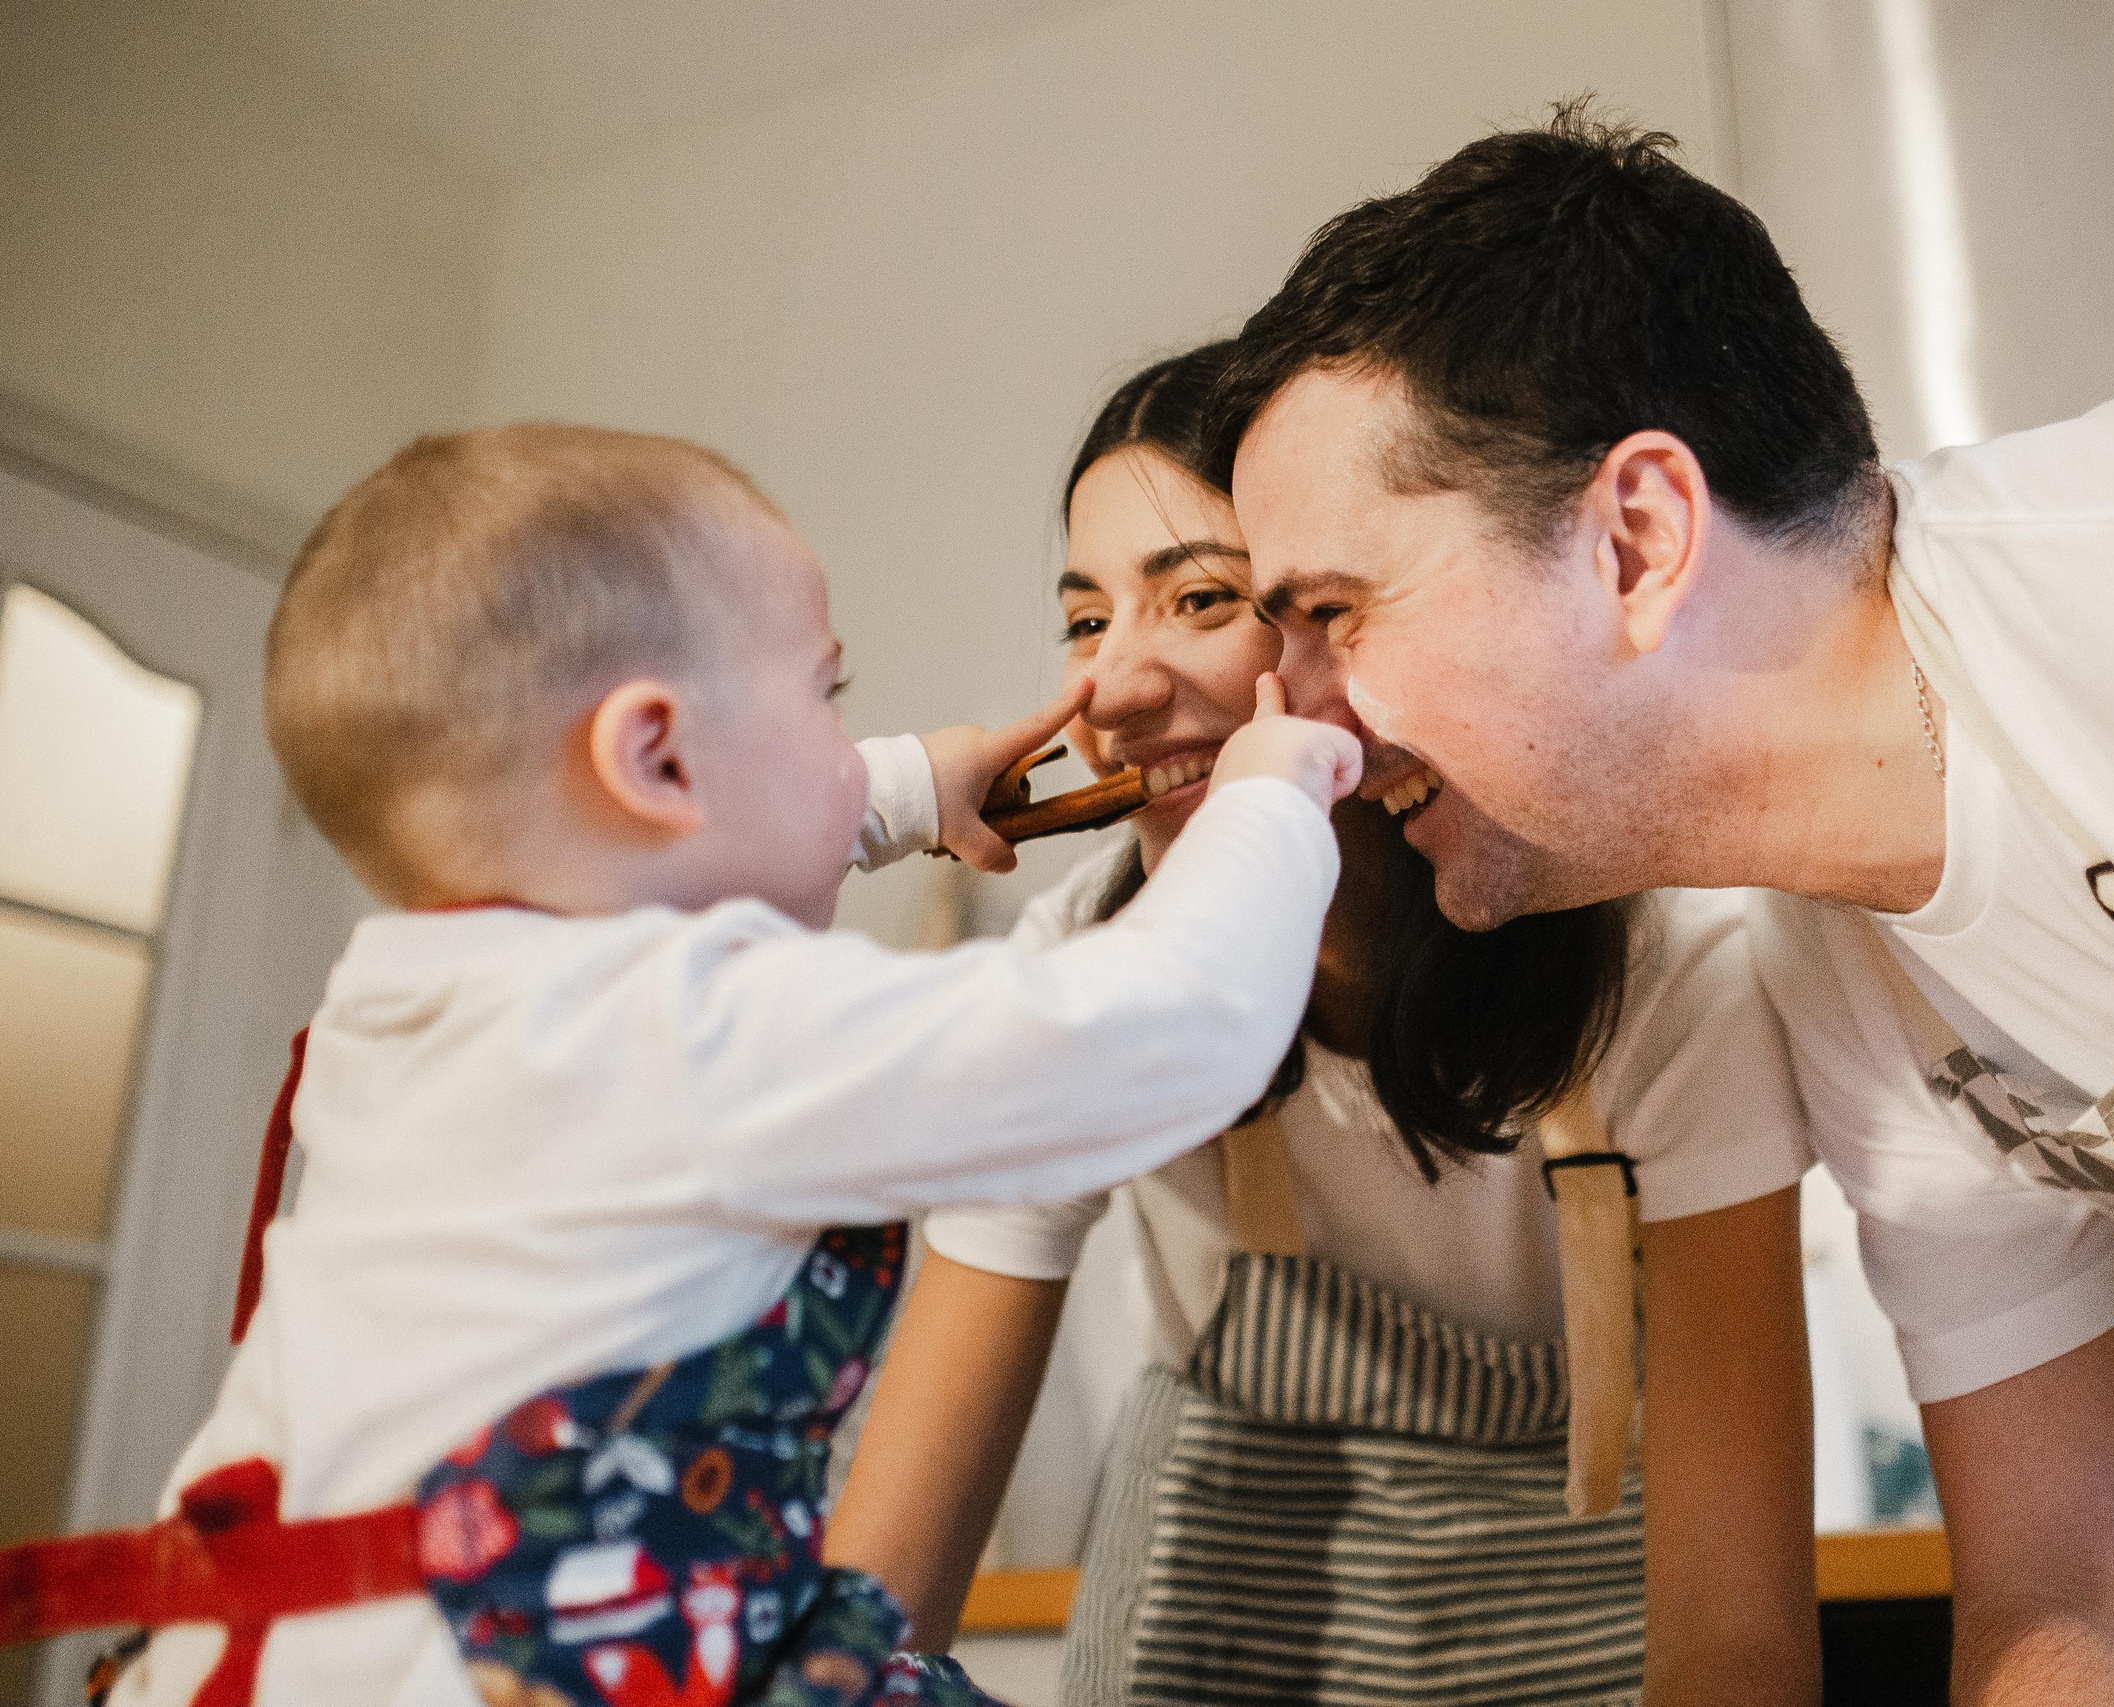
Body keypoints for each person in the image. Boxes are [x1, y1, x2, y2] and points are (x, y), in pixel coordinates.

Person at [1206, 106, 2114, 1707]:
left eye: (1332, 614)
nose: (1291, 718)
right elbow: (2081, 1586)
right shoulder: (1847, 968)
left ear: (1638, 538)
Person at [75, 422, 1359, 1707]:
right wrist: (1273, 798)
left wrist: (907, 786)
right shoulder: (685, 1032)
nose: (846, 737)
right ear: (657, 757)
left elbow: (667, 845)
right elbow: (1164, 1028)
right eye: (825, 696)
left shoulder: (413, 1003)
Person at [826, 345, 1821, 1707]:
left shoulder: (1664, 973)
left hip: (1575, 1577)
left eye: (1199, 597)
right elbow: (870, 1612)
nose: (1113, 689)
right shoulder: (1088, 965)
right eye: (1084, 617)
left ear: (1337, 621)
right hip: (1220, 1578)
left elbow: (1741, 1644)